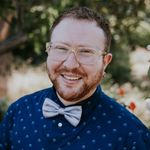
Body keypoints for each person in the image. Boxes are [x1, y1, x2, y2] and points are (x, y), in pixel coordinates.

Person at [0, 6, 150, 150]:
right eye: (61, 48)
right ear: (48, 51)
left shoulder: (132, 136)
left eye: (85, 52)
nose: (71, 64)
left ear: (105, 62)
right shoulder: (18, 112)